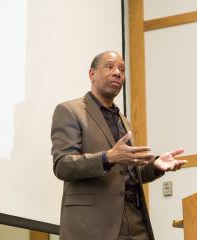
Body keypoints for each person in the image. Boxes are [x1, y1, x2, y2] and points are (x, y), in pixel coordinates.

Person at [51, 51, 187, 240]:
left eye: (121, 70)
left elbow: (126, 174)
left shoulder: (123, 119)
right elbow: (63, 165)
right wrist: (108, 157)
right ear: (92, 74)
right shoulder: (70, 111)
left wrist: (154, 166)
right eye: (110, 67)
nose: (117, 73)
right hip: (95, 224)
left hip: (135, 218)